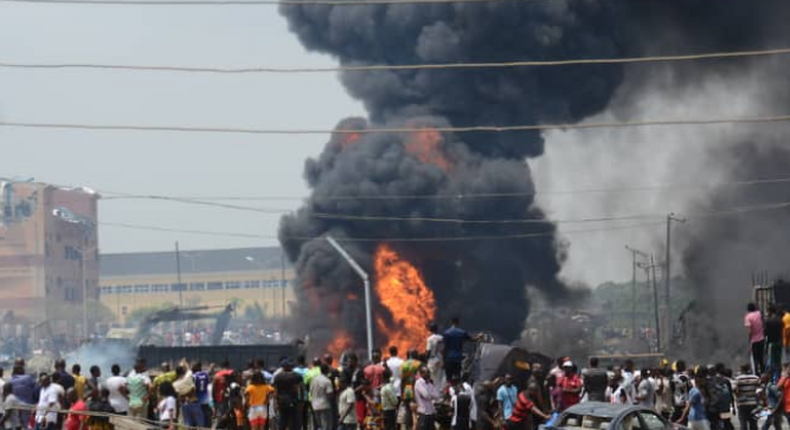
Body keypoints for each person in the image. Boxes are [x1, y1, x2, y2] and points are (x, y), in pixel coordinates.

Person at [442, 318, 480, 383]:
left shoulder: (446, 333)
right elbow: (472, 339)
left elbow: (445, 348)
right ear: (458, 323)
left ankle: (449, 390)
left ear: (451, 322)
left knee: (448, 378)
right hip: (458, 359)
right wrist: (479, 336)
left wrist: (443, 360)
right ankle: (457, 391)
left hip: (449, 359)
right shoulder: (462, 332)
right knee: (457, 377)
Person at [274, 360, 305, 430]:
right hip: (293, 401)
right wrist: (302, 400)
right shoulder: (297, 376)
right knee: (295, 420)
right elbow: (302, 389)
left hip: (281, 401)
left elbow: (276, 391)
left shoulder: (278, 377)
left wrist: (276, 402)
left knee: (282, 420)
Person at [736, 364, 760, 430]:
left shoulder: (738, 379)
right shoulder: (756, 378)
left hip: (742, 403)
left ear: (742, 370)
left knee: (743, 423)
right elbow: (759, 389)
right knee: (753, 423)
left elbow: (735, 390)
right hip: (753, 403)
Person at [311, 364, 335, 430]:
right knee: (326, 426)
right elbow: (330, 394)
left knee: (319, 426)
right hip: (325, 406)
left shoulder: (314, 380)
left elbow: (311, 391)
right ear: (327, 370)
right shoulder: (327, 381)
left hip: (315, 405)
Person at [746, 303, 767, 375]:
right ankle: (763, 372)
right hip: (762, 338)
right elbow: (763, 322)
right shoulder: (759, 314)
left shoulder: (748, 317)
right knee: (761, 357)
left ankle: (756, 374)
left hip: (754, 340)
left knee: (755, 358)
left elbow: (749, 330)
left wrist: (749, 340)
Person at [766, 306, 784, 380]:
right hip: (779, 342)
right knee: (778, 360)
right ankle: (778, 376)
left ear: (770, 311)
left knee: (772, 361)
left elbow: (766, 332)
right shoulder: (780, 320)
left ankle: (772, 377)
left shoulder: (768, 321)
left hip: (772, 342)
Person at [192, 361, 212, 426]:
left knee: (195, 423)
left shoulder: (194, 376)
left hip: (196, 402)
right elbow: (208, 384)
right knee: (206, 423)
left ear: (197, 367)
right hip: (205, 402)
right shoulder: (206, 374)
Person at [426, 324, 444, 391]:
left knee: (431, 377)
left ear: (430, 330)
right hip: (440, 358)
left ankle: (433, 393)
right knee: (439, 377)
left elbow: (428, 351)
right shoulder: (442, 338)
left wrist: (425, 359)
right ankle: (438, 393)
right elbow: (444, 349)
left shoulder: (429, 339)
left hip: (432, 359)